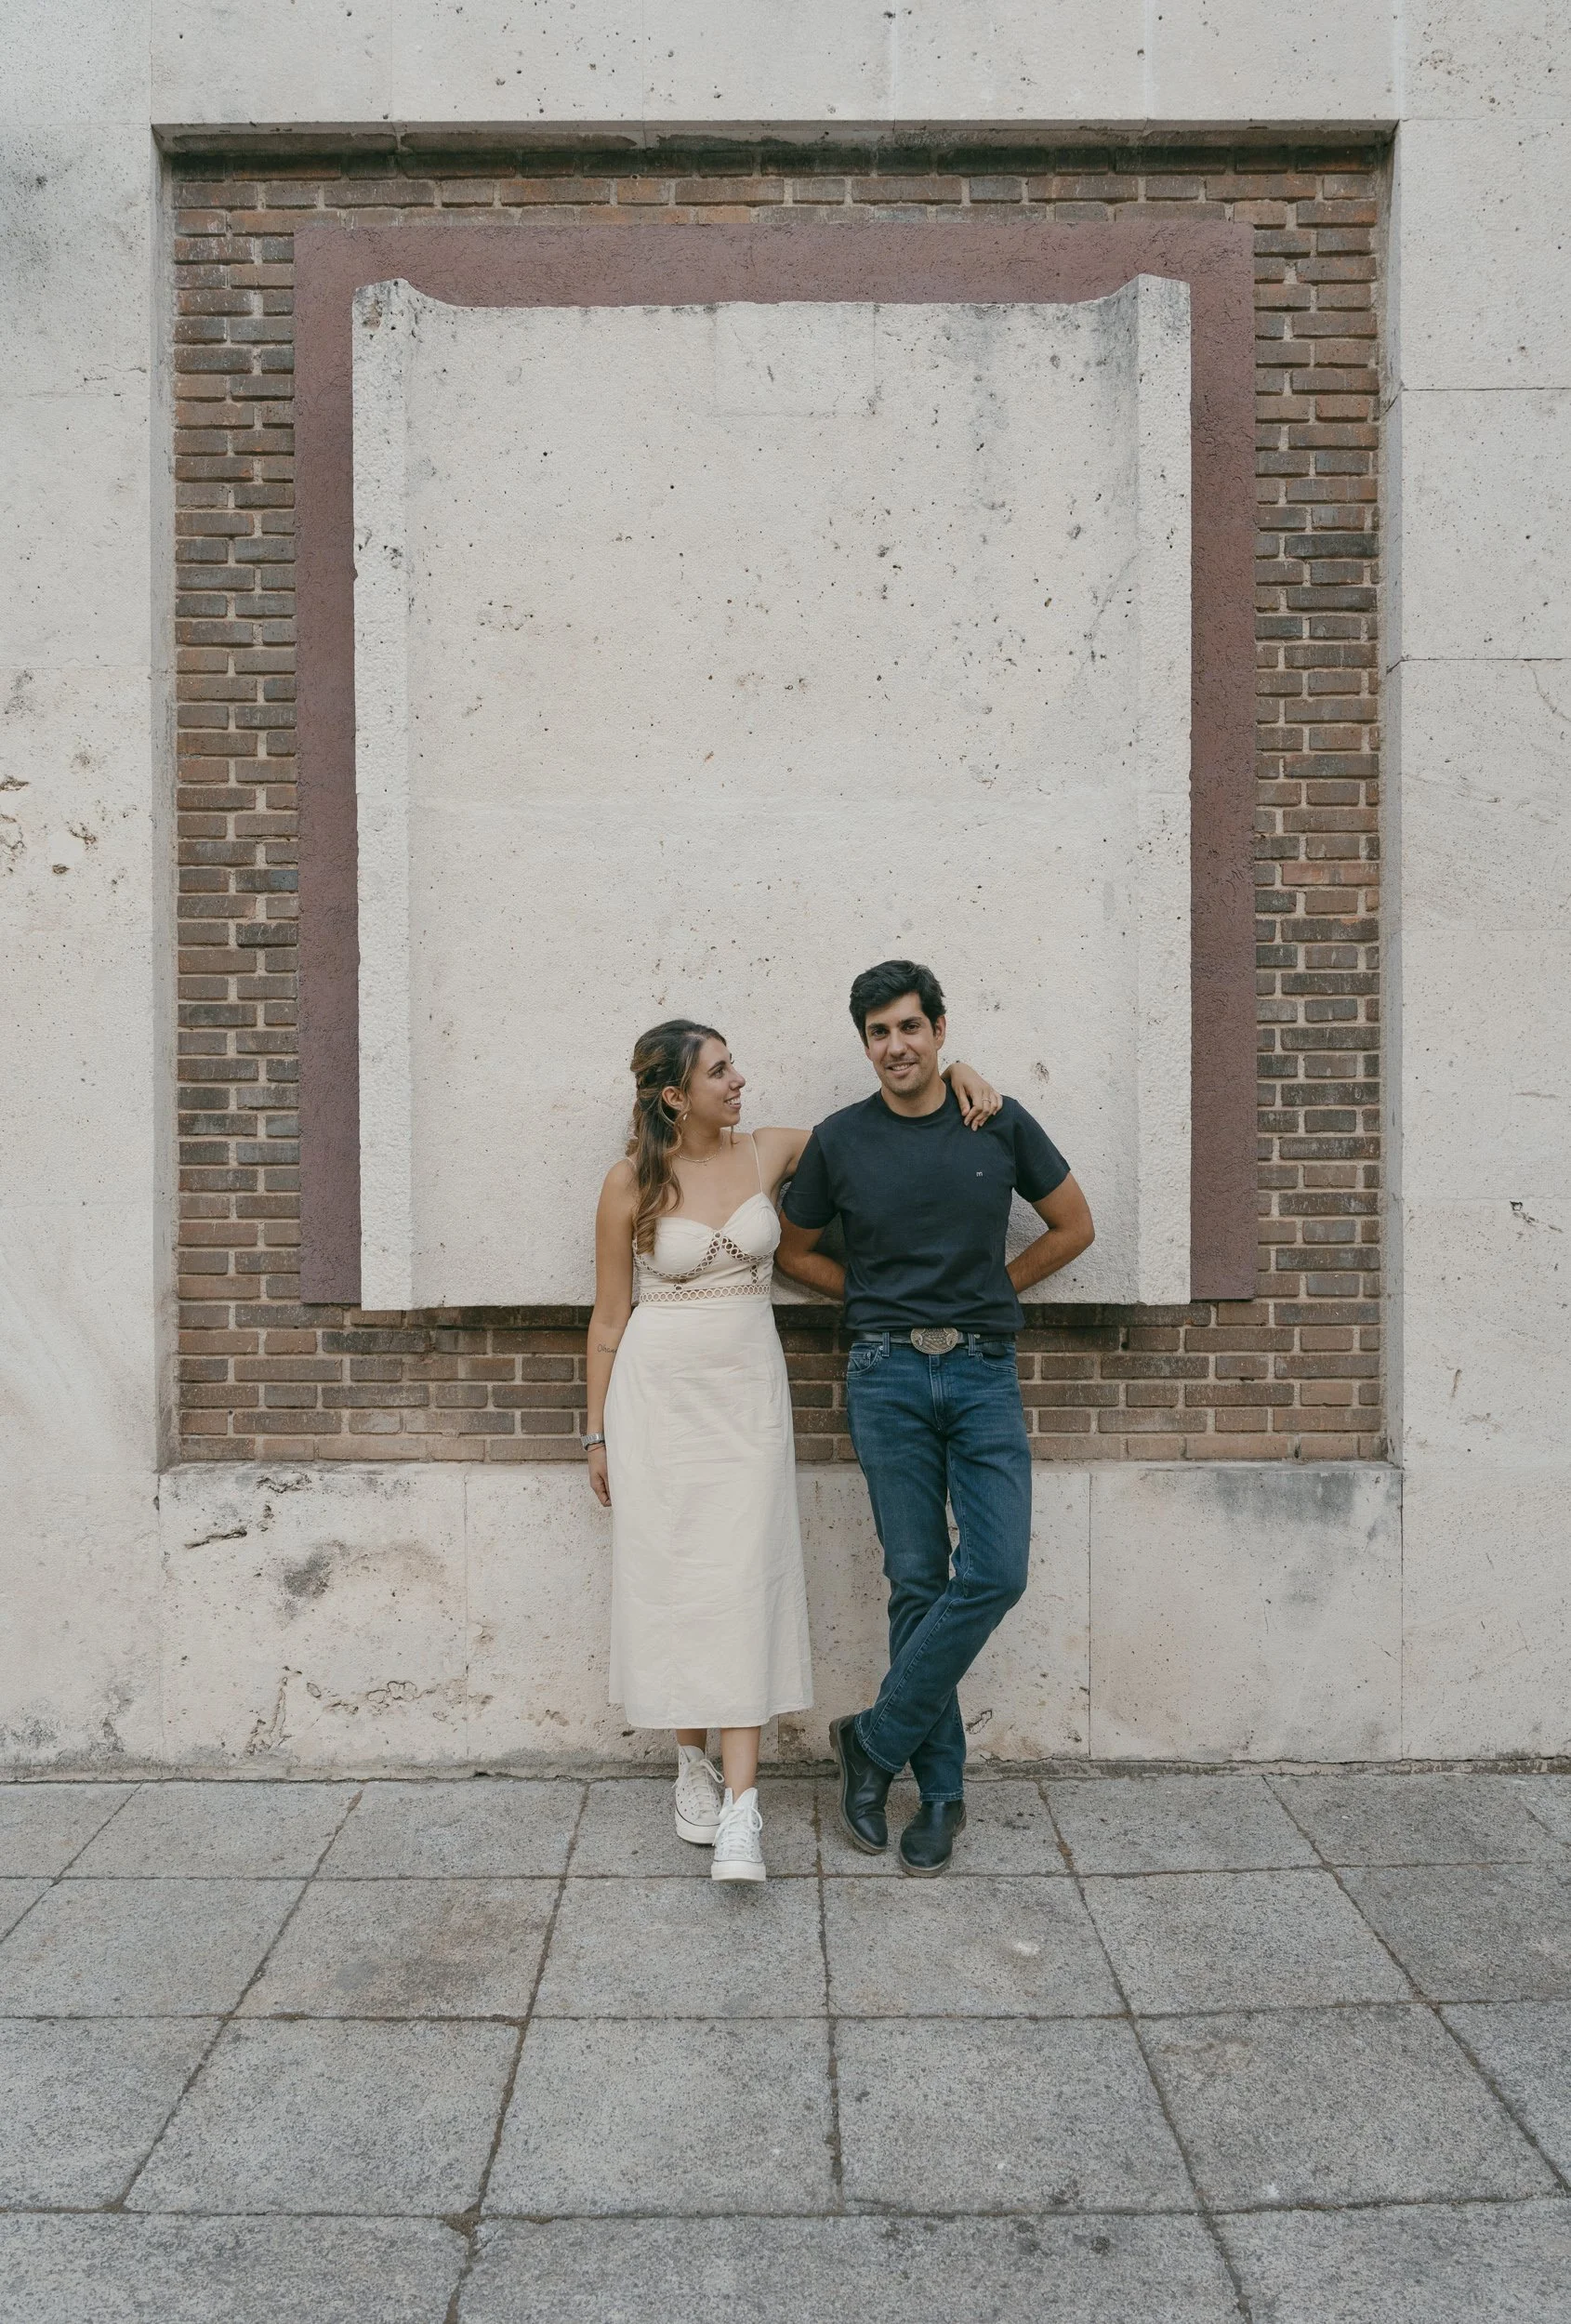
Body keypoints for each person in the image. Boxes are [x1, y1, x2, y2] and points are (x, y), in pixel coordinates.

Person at [584, 1017, 1002, 1883]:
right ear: (676, 1096)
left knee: (743, 1578)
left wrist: (953, 1068)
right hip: (657, 1399)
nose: (738, 1079)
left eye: (734, 1064)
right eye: (719, 1071)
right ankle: (691, 1762)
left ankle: (744, 1809)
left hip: (747, 1396)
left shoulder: (771, 1149)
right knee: (676, 1578)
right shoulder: (629, 1183)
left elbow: (880, 1127)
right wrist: (595, 1433)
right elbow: (608, 1319)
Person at [776, 961, 1095, 1875]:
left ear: (940, 1029)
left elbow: (1074, 1226)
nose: (895, 1046)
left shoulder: (996, 1120)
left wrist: (996, 1286)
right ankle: (941, 1794)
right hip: (883, 1373)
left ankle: (873, 1740)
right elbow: (793, 1249)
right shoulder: (840, 1139)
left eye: (909, 1026)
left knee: (995, 1571)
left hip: (983, 1370)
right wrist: (869, 1300)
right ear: (865, 1043)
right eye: (878, 1032)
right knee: (915, 1579)